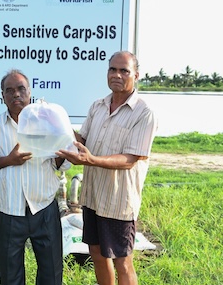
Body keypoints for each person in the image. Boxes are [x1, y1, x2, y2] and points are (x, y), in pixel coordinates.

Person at [56, 51, 158, 285]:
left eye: (124, 71)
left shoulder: (144, 113)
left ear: (136, 75)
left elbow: (130, 159)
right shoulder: (98, 106)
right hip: (92, 196)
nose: (117, 75)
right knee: (97, 253)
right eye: (113, 69)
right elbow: (82, 140)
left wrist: (92, 160)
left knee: (123, 260)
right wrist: (58, 122)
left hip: (119, 201)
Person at [0, 69, 71, 285]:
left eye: (20, 89)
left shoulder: (47, 120)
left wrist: (57, 153)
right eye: (9, 90)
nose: (15, 94)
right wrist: (9, 159)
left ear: (30, 92)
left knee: (51, 274)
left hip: (44, 208)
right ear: (2, 96)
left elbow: (65, 161)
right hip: (10, 211)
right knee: (10, 276)